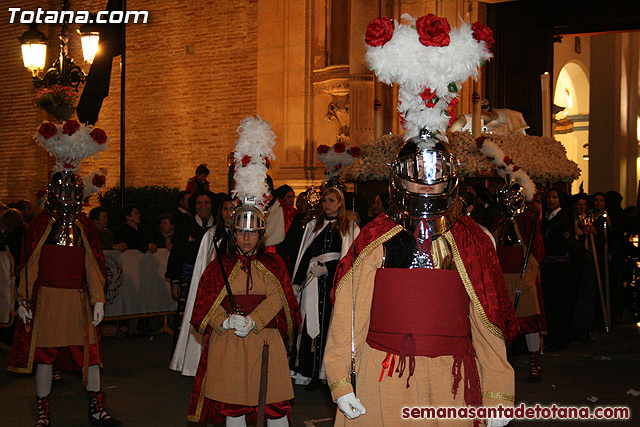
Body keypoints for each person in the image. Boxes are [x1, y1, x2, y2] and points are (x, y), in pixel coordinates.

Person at [323, 132, 517, 426]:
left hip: (450, 380)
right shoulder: (376, 237)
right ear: (399, 178)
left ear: (450, 177)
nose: (426, 185)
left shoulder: (471, 240)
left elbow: (487, 321)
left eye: (436, 175)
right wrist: (341, 379)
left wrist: (497, 392)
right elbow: (350, 315)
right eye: (416, 175)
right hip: (382, 375)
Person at [7, 171, 120, 427]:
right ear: (52, 193)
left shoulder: (84, 225)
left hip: (78, 301)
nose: (67, 197)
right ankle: (43, 413)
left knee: (89, 356)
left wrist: (98, 299)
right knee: (44, 358)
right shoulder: (39, 225)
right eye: (63, 191)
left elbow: (92, 265)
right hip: (47, 300)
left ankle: (97, 409)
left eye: (73, 191)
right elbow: (30, 266)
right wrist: (23, 300)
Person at [187, 203, 301, 426]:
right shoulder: (218, 266)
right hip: (229, 343)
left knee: (274, 404)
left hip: (265, 341)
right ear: (233, 233)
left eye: (252, 233)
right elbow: (207, 301)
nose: (246, 238)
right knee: (233, 404)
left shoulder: (273, 264)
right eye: (241, 232)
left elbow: (280, 297)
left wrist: (254, 319)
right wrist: (225, 321)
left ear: (261, 234)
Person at [290, 186, 359, 389]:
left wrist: (328, 269)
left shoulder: (349, 227)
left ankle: (326, 374)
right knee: (311, 323)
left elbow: (349, 258)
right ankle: (309, 372)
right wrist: (297, 282)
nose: (327, 204)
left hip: (333, 284)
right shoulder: (313, 225)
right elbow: (304, 254)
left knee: (329, 326)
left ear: (340, 203)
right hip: (312, 282)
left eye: (331, 200)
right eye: (325, 200)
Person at [170, 195, 235, 376]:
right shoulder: (212, 235)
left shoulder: (243, 234)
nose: (229, 214)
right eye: (225, 209)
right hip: (215, 291)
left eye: (233, 209)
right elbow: (203, 265)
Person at [492, 182, 546, 383]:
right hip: (503, 278)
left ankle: (535, 364)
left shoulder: (528, 221)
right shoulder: (500, 221)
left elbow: (537, 252)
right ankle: (502, 364)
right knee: (502, 323)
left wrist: (526, 281)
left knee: (529, 322)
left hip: (524, 277)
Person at [165, 190, 216, 351]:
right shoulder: (185, 228)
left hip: (213, 284)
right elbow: (176, 257)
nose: (203, 207)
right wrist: (175, 282)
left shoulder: (218, 227)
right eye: (199, 203)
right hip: (189, 281)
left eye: (206, 203)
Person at [540, 188, 574, 351]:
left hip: (559, 266)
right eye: (549, 197)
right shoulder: (546, 217)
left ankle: (560, 338)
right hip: (548, 265)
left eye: (554, 197)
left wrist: (548, 247)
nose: (550, 200)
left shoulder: (563, 219)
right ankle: (552, 335)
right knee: (550, 302)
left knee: (559, 303)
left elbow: (564, 244)